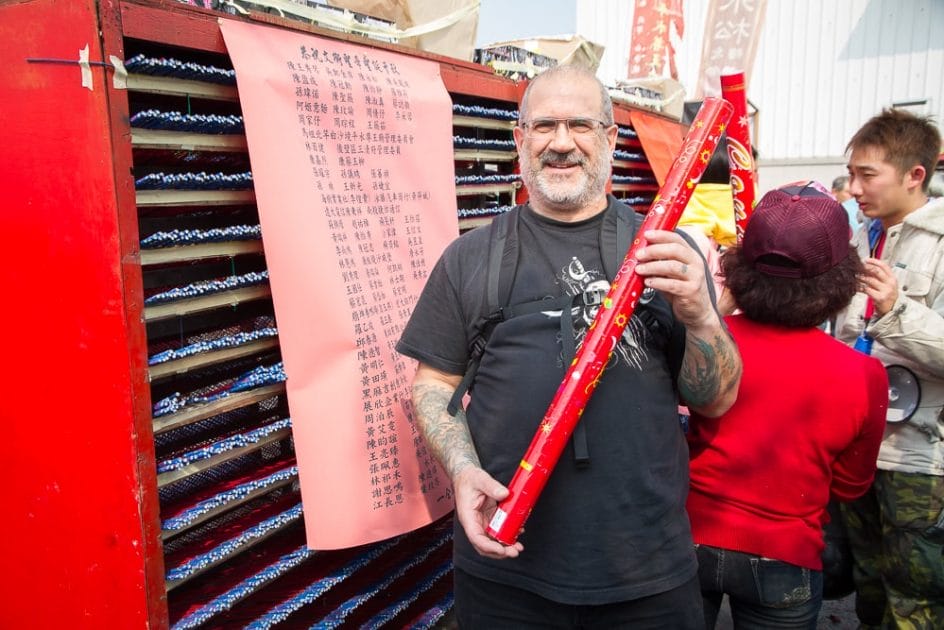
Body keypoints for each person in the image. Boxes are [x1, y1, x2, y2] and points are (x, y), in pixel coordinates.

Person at [396, 63, 742, 628]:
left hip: (645, 579)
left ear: (609, 138)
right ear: (520, 140)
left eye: (580, 125)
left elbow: (716, 401)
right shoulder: (471, 258)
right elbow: (434, 387)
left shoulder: (664, 252)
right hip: (505, 573)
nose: (561, 143)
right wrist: (461, 469)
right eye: (544, 126)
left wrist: (701, 315)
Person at [686, 182, 888, 629]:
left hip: (686, 539)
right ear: (841, 278)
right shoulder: (863, 375)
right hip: (785, 555)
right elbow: (851, 485)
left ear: (739, 265)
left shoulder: (703, 343)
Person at [834, 108, 944, 628]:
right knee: (868, 581)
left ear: (914, 174)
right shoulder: (862, 237)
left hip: (918, 458)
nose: (854, 187)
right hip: (859, 444)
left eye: (867, 175)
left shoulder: (940, 244)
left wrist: (898, 310)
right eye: (851, 174)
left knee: (916, 595)